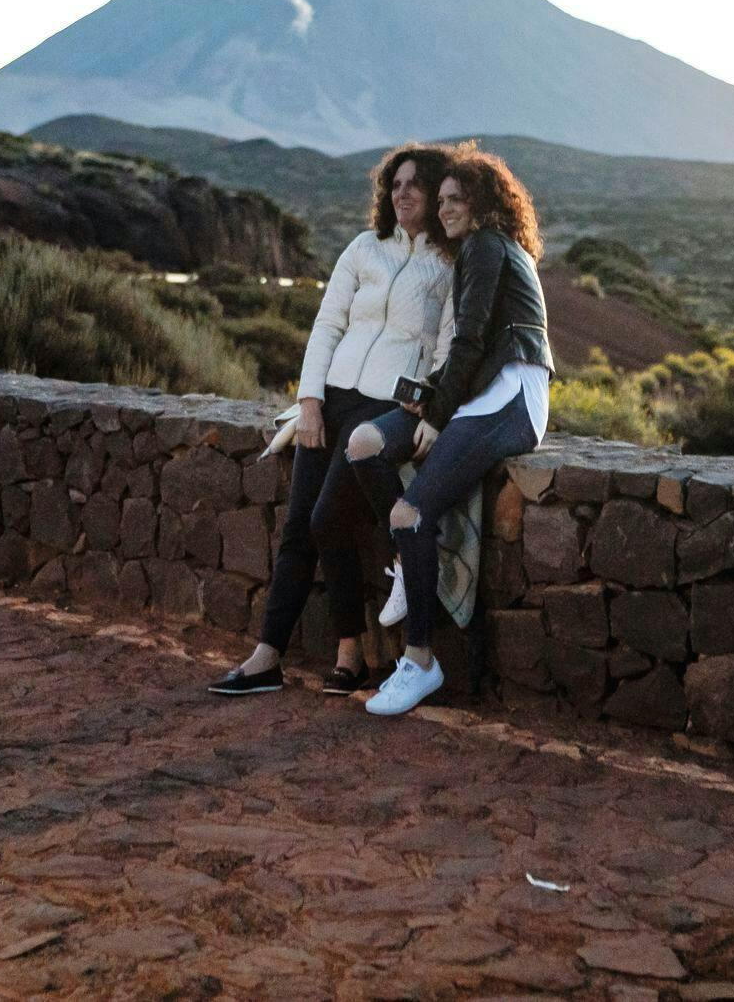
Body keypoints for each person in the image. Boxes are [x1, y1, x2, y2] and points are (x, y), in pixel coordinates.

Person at [208, 144, 457, 698]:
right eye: (396, 182)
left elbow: (447, 347)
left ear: (436, 193)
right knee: (300, 528)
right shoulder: (364, 249)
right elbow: (326, 327)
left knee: (326, 521)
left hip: (387, 406)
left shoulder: (448, 263)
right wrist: (310, 400)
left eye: (416, 184)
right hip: (333, 398)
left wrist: (429, 405)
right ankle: (268, 655)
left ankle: (351, 650)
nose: (403, 192)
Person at [347, 145, 553, 716]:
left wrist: (434, 419)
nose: (445, 209)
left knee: (410, 511)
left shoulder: (488, 245)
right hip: (478, 393)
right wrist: (426, 400)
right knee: (364, 444)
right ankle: (409, 563)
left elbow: (471, 341)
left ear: (485, 204)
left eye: (457, 199)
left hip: (509, 400)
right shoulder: (480, 250)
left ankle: (419, 661)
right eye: (442, 201)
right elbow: (465, 353)